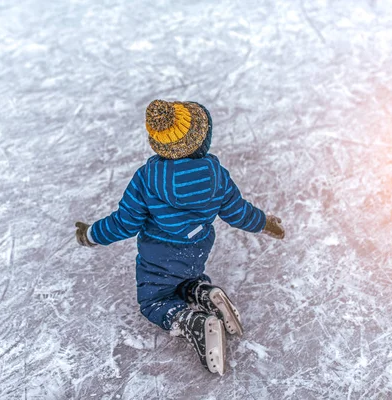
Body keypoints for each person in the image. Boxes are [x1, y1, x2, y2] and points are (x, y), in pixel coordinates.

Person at [75, 99, 285, 375]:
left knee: (154, 300)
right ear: (202, 141)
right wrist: (265, 223)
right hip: (198, 247)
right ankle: (203, 292)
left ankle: (191, 321)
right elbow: (237, 212)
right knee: (186, 277)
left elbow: (124, 223)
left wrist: (91, 234)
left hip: (159, 252)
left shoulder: (146, 179)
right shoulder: (216, 175)